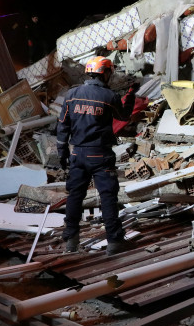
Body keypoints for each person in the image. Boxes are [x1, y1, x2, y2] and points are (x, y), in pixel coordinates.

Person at [56, 56, 138, 255]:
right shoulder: (109, 97)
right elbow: (123, 117)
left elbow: (63, 125)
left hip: (77, 153)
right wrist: (131, 96)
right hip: (100, 154)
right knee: (107, 197)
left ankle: (71, 241)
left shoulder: (72, 95)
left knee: (75, 196)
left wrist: (62, 152)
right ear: (105, 73)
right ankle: (114, 242)